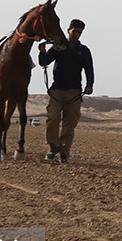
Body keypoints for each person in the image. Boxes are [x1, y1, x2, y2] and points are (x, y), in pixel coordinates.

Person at [38, 18, 94, 164]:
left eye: (79, 33)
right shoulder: (58, 46)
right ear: (68, 30)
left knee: (70, 123)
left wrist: (90, 85)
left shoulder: (84, 51)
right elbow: (44, 62)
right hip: (57, 90)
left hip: (74, 92)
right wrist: (42, 53)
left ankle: (64, 152)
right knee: (52, 118)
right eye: (74, 31)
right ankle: (52, 146)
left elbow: (89, 69)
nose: (76, 35)